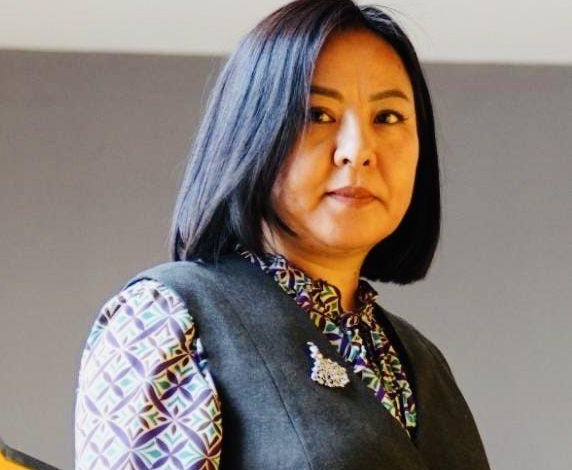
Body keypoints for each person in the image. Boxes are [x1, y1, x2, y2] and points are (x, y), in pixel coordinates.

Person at [74, 1, 491, 468]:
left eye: (388, 117)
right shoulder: (170, 317)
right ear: (251, 132)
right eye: (317, 113)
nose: (357, 150)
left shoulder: (423, 361)